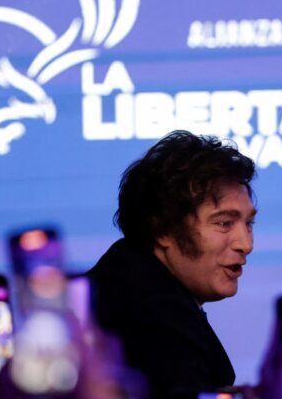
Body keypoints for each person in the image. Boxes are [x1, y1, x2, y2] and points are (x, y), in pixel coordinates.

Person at [87, 130, 257, 399]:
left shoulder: (130, 276)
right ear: (163, 229)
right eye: (224, 223)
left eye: (248, 224)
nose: (246, 244)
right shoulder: (150, 309)